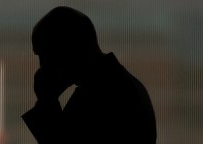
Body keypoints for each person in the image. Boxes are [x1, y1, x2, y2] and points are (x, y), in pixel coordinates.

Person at [21, 6, 157, 144]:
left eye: (45, 55)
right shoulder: (116, 85)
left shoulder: (102, 94)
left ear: (67, 47)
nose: (42, 66)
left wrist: (47, 102)